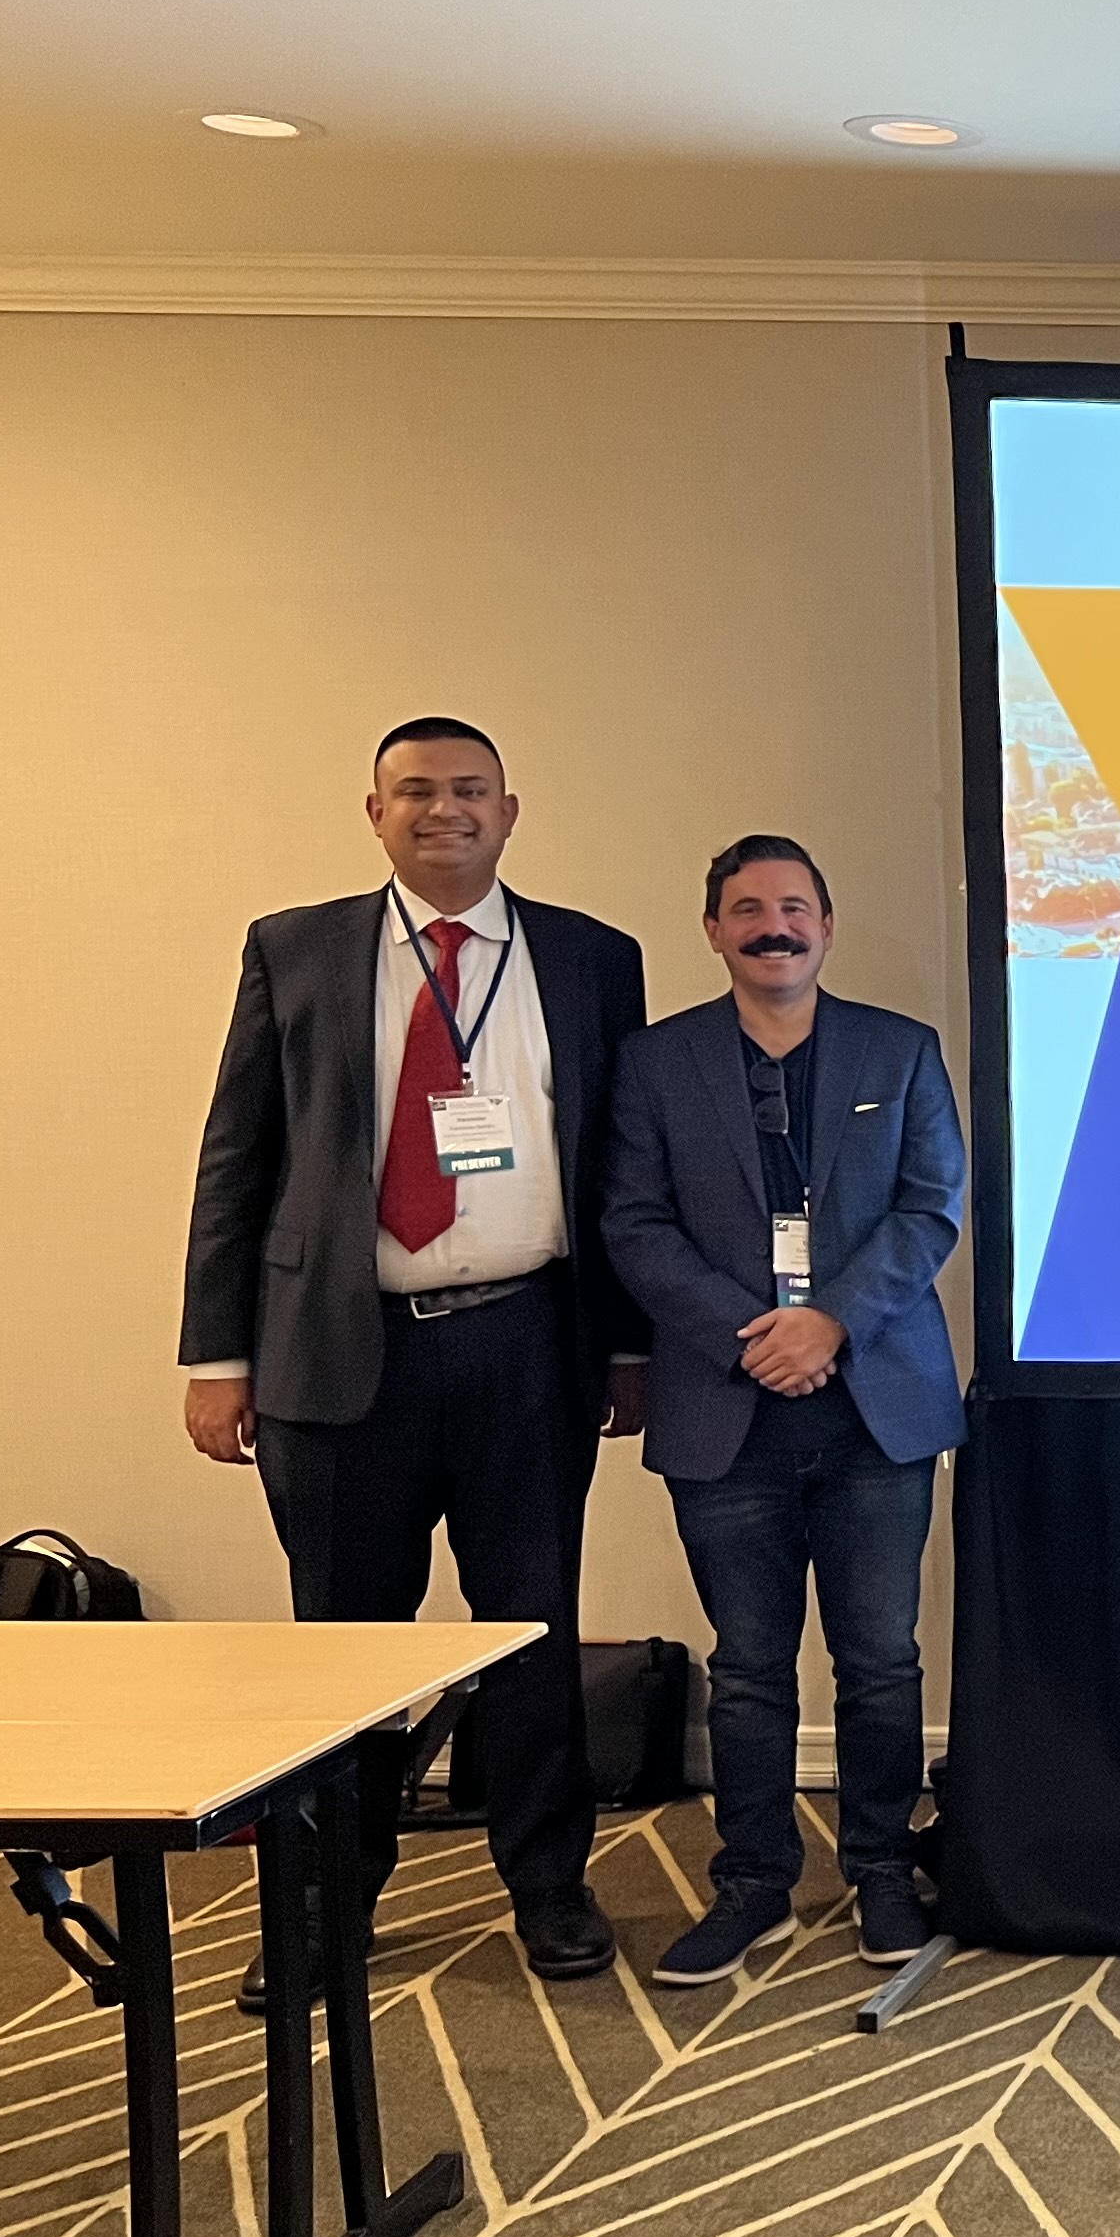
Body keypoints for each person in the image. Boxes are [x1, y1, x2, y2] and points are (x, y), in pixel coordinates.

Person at [181, 718, 649, 1987]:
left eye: (469, 792)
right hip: (339, 1359)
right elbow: (239, 1158)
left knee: (532, 1637)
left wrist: (626, 1349)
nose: (445, 811)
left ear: (511, 811)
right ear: (374, 812)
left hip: (526, 1349)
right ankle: (333, 1905)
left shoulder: (596, 959)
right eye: (416, 793)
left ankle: (548, 1885)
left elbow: (621, 1171)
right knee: (342, 1650)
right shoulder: (297, 948)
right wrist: (215, 1354)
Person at [604, 836, 964, 1986]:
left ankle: (880, 1875)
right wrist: (753, 1336)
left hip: (874, 1409)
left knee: (882, 1661)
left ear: (828, 924)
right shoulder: (655, 1065)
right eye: (747, 908)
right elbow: (634, 1225)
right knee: (749, 1668)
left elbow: (932, 1206)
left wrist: (832, 1323)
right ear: (711, 929)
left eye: (795, 906)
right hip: (727, 1405)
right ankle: (751, 1885)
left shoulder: (902, 1052)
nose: (774, 925)